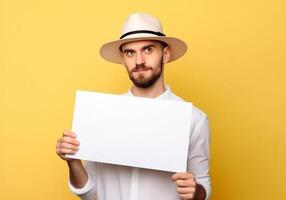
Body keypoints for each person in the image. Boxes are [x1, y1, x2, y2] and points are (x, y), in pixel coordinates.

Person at [56, 13, 211, 200]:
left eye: (148, 50)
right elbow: (92, 193)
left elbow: (203, 186)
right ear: (123, 58)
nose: (139, 61)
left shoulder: (194, 119)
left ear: (166, 54)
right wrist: (73, 162)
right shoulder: (102, 115)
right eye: (130, 52)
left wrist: (196, 192)